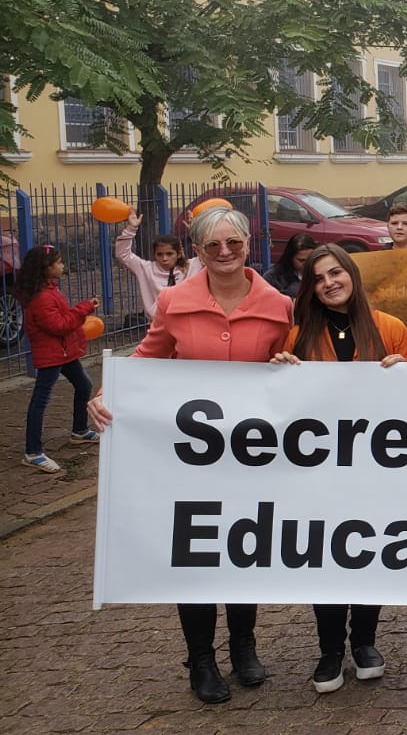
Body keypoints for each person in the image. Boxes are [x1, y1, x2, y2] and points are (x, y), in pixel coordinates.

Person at [87, 206, 293, 704]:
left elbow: (299, 363)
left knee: (245, 548)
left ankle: (243, 644)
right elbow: (148, 357)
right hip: (192, 460)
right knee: (196, 554)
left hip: (252, 456)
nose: (225, 252)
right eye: (213, 245)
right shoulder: (174, 301)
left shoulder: (280, 304)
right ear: (196, 251)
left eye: (234, 243)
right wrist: (107, 392)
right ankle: (201, 657)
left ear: (249, 244)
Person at [269, 244, 407, 693]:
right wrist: (279, 369)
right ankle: (330, 649)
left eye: (336, 273)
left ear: (352, 274)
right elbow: (279, 405)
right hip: (319, 471)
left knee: (368, 552)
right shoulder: (297, 337)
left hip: (376, 468)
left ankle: (365, 642)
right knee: (326, 557)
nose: (329, 283)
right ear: (309, 288)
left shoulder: (390, 328)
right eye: (318, 278)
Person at [18, 245, 101, 474]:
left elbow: (62, 318)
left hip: (63, 352)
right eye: (59, 262)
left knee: (83, 384)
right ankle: (33, 452)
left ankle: (79, 431)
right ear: (46, 268)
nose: (63, 266)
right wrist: (84, 308)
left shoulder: (50, 290)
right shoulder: (42, 297)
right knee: (40, 399)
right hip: (52, 355)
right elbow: (59, 325)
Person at [114, 210, 189, 319]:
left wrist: (196, 233)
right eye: (159, 254)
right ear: (154, 254)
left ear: (178, 254)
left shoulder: (190, 267)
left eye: (169, 254)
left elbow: (208, 256)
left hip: (185, 320)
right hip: (158, 322)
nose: (164, 259)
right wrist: (131, 229)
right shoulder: (146, 268)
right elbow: (123, 254)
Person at [264, 233, 317, 297]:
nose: (307, 264)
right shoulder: (273, 277)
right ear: (290, 258)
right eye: (301, 260)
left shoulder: (319, 271)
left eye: (310, 259)